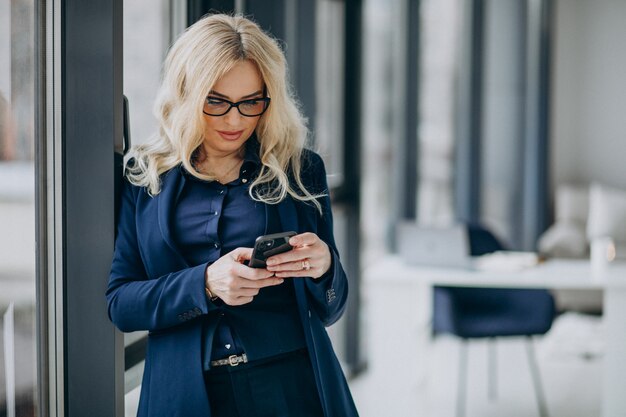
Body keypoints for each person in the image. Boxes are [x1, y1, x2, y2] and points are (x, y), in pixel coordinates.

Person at [106, 13, 359, 417]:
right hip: (183, 393)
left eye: (251, 102)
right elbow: (121, 303)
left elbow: (333, 307)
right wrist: (204, 283)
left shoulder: (300, 169)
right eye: (217, 101)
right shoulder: (144, 175)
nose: (235, 119)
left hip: (291, 389)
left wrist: (325, 266)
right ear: (187, 94)